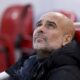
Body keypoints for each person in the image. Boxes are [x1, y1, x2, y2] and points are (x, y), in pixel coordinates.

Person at [0, 12, 80, 80]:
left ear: (66, 39)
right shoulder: (31, 61)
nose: (40, 29)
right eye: (38, 25)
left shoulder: (67, 74)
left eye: (50, 26)